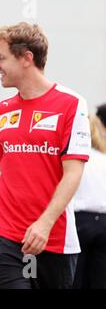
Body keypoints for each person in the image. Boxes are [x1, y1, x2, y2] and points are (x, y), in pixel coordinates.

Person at [0, 22, 91, 289]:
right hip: (4, 236)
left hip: (53, 239)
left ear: (26, 58)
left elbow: (74, 172)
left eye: (1, 57)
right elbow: (3, 168)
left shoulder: (72, 104)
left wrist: (43, 224)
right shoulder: (1, 110)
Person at [72, 115, 106, 288]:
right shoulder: (103, 159)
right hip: (103, 222)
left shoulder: (75, 160)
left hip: (80, 220)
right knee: (100, 279)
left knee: (76, 276)